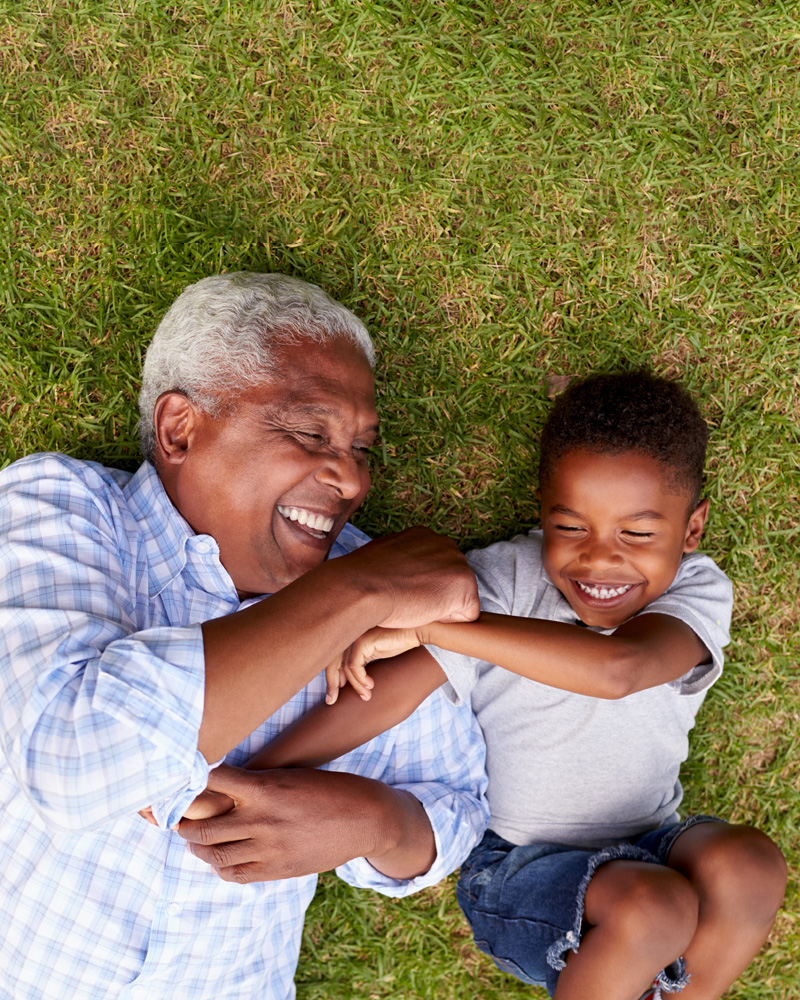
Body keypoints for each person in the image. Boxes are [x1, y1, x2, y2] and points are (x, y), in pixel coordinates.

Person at [192, 373, 787, 1000]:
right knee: (654, 906)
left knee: (748, 866)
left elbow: (623, 670)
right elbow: (393, 693)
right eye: (571, 527)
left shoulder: (695, 589)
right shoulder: (503, 578)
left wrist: (440, 627)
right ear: (543, 509)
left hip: (655, 836)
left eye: (637, 534)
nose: (600, 561)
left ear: (691, 531)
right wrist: (256, 775)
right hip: (519, 867)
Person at [0, 271, 489, 999]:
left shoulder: (379, 596)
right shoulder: (62, 508)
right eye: (309, 432)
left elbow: (456, 808)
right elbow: (76, 763)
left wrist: (372, 822)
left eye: (361, 448)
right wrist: (356, 590)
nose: (351, 480)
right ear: (180, 429)